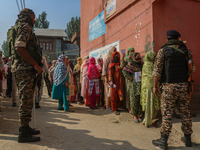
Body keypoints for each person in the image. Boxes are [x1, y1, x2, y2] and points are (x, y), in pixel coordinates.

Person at [152, 30, 195, 149]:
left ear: (167, 39)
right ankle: (188, 140)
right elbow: (192, 69)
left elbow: (157, 71)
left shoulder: (162, 51)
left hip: (168, 87)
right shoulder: (187, 51)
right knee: (185, 112)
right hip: (183, 86)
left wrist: (155, 86)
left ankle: (163, 141)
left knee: (167, 113)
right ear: (178, 38)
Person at [11, 8, 42, 142]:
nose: (34, 20)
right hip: (24, 69)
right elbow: (19, 47)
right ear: (28, 17)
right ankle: (23, 133)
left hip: (21, 68)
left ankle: (26, 127)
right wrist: (35, 64)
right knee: (26, 100)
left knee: (27, 99)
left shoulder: (18, 27)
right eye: (33, 17)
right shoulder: (26, 27)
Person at [140, 51, 160, 127]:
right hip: (150, 87)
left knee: (149, 104)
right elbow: (152, 75)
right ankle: (148, 121)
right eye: (154, 57)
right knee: (150, 104)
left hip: (147, 86)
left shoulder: (146, 64)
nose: (154, 58)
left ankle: (149, 119)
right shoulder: (149, 65)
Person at [123, 52, 143, 121]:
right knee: (134, 100)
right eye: (137, 57)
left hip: (140, 85)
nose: (139, 58)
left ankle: (139, 114)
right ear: (134, 58)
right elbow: (124, 71)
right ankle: (134, 115)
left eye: (139, 57)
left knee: (139, 100)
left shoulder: (141, 65)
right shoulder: (131, 65)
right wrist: (129, 77)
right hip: (134, 85)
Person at [121, 47, 135, 112]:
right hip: (128, 78)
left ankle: (134, 107)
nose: (132, 52)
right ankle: (129, 107)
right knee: (128, 92)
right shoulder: (126, 59)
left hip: (135, 77)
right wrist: (123, 59)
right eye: (131, 51)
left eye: (133, 51)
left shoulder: (135, 58)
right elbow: (122, 66)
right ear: (128, 52)